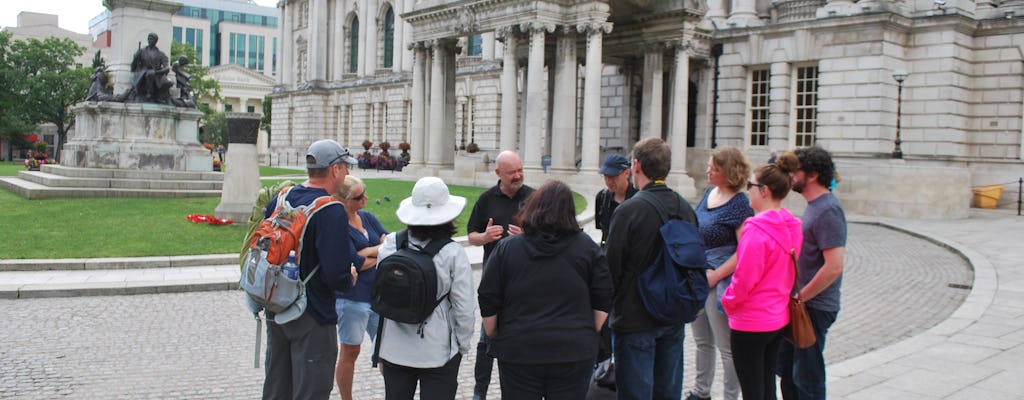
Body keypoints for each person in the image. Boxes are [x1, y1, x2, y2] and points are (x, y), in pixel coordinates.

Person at [478, 180, 614, 398]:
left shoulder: (508, 248)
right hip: (572, 347)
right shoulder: (587, 247)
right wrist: (592, 327)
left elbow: (488, 295)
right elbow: (603, 294)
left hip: (520, 347)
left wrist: (492, 330)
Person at [262, 139, 360, 400]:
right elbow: (335, 274)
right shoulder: (330, 210)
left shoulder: (282, 198)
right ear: (335, 169)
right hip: (312, 312)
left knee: (277, 387)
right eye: (345, 167)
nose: (348, 173)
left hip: (277, 305)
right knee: (311, 390)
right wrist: (349, 277)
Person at [604, 137, 697, 400]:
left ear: (636, 165)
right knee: (668, 392)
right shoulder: (684, 207)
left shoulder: (628, 211)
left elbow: (611, 269)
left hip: (635, 317)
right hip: (673, 312)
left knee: (635, 393)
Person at [377, 177, 476, 400]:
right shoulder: (452, 253)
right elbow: (464, 306)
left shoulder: (391, 244)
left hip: (394, 346)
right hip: (437, 349)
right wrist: (462, 344)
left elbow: (382, 295)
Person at [720, 161, 802, 400]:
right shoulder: (793, 225)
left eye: (751, 186)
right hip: (778, 315)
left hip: (752, 319)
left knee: (752, 389)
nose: (748, 191)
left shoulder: (756, 229)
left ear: (764, 190)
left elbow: (745, 278)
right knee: (766, 386)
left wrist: (729, 301)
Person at [776, 146, 847, 400]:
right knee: (788, 371)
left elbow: (834, 266)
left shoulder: (829, 210)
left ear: (813, 175)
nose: (791, 176)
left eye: (796, 171)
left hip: (814, 307)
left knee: (807, 377)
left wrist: (800, 298)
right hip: (802, 304)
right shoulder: (815, 206)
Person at [466, 150, 535, 400]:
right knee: (486, 341)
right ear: (498, 174)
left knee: (521, 341)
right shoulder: (486, 200)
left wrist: (529, 238)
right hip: (494, 284)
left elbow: (550, 237)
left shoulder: (534, 198)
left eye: (520, 170)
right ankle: (479, 392)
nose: (517, 176)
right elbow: (471, 235)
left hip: (526, 283)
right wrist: (484, 237)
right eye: (511, 172)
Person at [687, 147, 754, 400]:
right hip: (698, 275)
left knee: (726, 346)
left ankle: (730, 396)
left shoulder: (739, 203)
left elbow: (744, 250)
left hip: (720, 280)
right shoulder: (708, 193)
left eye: (713, 168)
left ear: (728, 172)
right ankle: (701, 392)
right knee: (702, 341)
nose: (708, 171)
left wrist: (715, 276)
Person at [333, 175, 387, 400]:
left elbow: (388, 243)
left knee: (387, 351)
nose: (365, 198)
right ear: (345, 200)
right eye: (359, 196)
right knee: (350, 351)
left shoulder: (367, 216)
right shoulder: (337, 227)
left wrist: (366, 252)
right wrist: (377, 252)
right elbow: (355, 263)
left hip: (378, 296)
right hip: (352, 298)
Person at [595, 153, 638, 246]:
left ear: (626, 173)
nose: (609, 181)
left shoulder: (638, 198)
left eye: (613, 176)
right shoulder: (602, 198)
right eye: (605, 177)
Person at [129, 32, 172, 103]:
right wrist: (136, 57)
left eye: (151, 39)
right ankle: (149, 94)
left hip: (156, 74)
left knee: (153, 74)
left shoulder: (161, 54)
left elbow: (166, 67)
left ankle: (154, 94)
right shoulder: (142, 52)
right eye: (148, 39)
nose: (149, 40)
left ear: (156, 41)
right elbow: (133, 67)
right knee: (150, 73)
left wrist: (158, 72)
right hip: (143, 73)